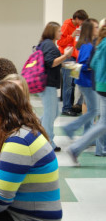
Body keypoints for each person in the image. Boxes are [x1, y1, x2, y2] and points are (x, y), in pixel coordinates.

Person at [0, 80, 62, 221]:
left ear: (4, 109)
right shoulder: (23, 131)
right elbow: (5, 177)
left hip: (28, 217)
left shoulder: (18, 142)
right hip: (24, 210)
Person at [67, 25, 106, 164]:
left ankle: (101, 148)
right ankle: (76, 147)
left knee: (100, 118)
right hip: (98, 84)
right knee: (101, 120)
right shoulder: (91, 45)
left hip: (99, 84)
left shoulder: (100, 43)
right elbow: (88, 64)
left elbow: (93, 63)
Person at [63, 19, 100, 143]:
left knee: (91, 110)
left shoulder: (90, 44)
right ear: (90, 30)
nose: (98, 29)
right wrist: (93, 65)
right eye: (96, 27)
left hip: (88, 82)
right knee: (94, 110)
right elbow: (83, 65)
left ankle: (87, 135)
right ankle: (71, 127)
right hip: (87, 82)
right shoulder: (87, 45)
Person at [39, 22, 73, 152]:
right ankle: (48, 142)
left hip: (48, 83)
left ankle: (38, 132)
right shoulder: (48, 44)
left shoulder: (47, 44)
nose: (61, 33)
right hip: (48, 84)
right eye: (59, 31)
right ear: (52, 32)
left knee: (52, 112)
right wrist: (65, 56)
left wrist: (64, 62)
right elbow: (50, 62)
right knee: (50, 113)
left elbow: (52, 62)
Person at [57, 9, 89, 116]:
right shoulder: (67, 25)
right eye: (82, 21)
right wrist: (72, 35)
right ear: (76, 19)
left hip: (75, 58)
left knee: (74, 83)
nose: (83, 23)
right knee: (68, 84)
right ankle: (66, 108)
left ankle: (72, 107)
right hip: (68, 58)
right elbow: (60, 42)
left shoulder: (79, 27)